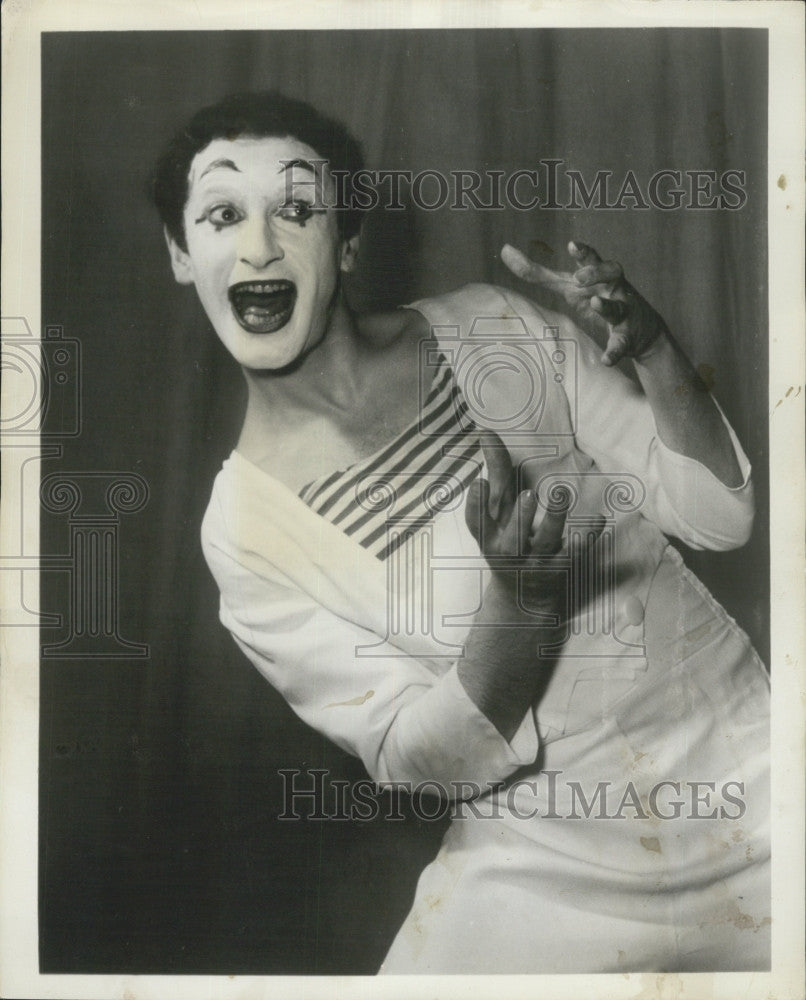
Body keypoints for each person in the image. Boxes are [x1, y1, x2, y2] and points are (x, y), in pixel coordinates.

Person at [152, 90, 770, 973]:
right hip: (548, 869)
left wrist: (656, 352)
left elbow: (721, 515)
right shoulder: (244, 532)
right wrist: (518, 604)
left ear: (349, 241)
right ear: (182, 253)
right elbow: (423, 764)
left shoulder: (492, 324)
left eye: (297, 209)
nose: (259, 245)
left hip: (747, 777)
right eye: (221, 215)